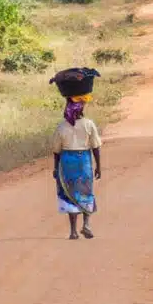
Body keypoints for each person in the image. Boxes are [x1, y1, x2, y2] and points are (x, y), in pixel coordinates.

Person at [52, 94, 102, 240]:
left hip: (66, 161)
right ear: (82, 109)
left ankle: (73, 231)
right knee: (85, 191)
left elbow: (56, 151)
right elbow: (96, 147)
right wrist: (98, 166)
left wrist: (56, 168)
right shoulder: (88, 124)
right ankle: (86, 225)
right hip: (83, 160)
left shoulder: (61, 127)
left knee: (69, 193)